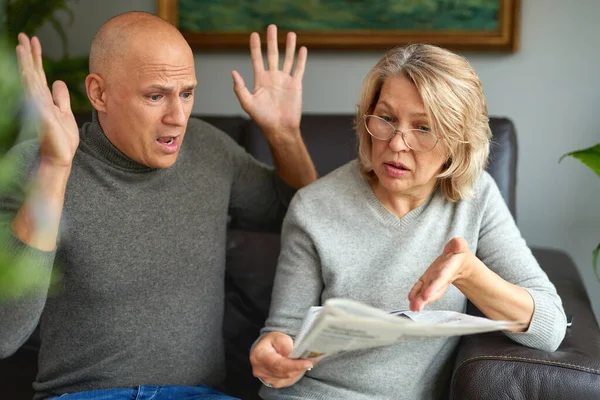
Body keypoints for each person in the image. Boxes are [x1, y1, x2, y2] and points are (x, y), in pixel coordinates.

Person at [0, 11, 317, 400]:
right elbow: (4, 334)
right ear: (99, 93)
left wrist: (283, 135)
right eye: (156, 96)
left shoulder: (208, 148)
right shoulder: (34, 164)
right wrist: (54, 168)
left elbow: (305, 216)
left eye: (187, 93)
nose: (179, 117)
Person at [249, 43, 567, 400]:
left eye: (423, 127)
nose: (397, 143)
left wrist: (469, 274)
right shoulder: (313, 206)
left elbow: (549, 329)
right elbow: (283, 332)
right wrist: (271, 353)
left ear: (458, 141)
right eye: (386, 118)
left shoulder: (475, 198)